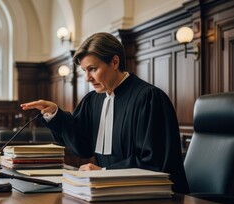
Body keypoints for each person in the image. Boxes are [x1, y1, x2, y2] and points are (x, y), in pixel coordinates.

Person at [21, 32, 189, 194]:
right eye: (84, 71)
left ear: (115, 62)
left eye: (92, 69)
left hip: (154, 196)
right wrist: (55, 114)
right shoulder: (93, 100)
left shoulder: (149, 98)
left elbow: (155, 161)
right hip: (110, 191)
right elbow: (82, 146)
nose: (87, 78)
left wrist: (104, 171)